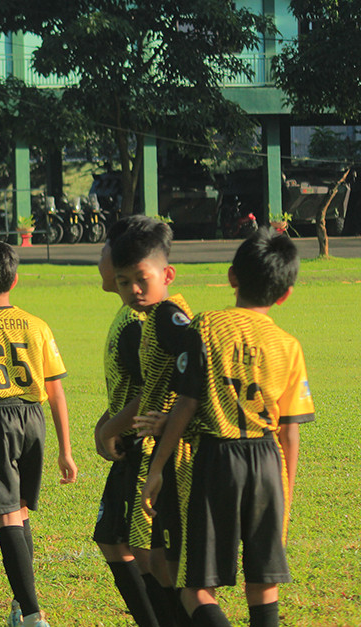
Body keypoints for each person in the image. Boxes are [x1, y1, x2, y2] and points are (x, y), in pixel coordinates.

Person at [141, 229, 314, 627]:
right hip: (267, 461)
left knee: (197, 589)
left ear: (232, 276)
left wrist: (156, 469)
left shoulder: (204, 327)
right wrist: (283, 493)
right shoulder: (288, 345)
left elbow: (187, 403)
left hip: (217, 459)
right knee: (263, 583)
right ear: (285, 294)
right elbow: (290, 431)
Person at [0, 240, 77, 627]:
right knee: (19, 511)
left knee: (6, 516)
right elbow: (56, 390)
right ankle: (22, 605)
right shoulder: (38, 326)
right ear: (15, 280)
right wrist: (66, 451)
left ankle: (34, 614)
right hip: (34, 417)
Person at [98, 216, 192, 626]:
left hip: (152, 451)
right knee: (136, 551)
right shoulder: (140, 314)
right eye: (124, 279)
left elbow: (157, 392)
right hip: (141, 448)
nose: (132, 288)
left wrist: (111, 428)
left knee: (155, 558)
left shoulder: (155, 320)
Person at [92, 218, 161, 627]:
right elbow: (130, 384)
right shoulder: (126, 313)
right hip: (129, 443)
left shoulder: (137, 323)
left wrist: (110, 428)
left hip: (143, 448)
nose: (100, 258)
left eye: (106, 250)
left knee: (143, 550)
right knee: (114, 540)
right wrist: (107, 419)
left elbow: (150, 391)